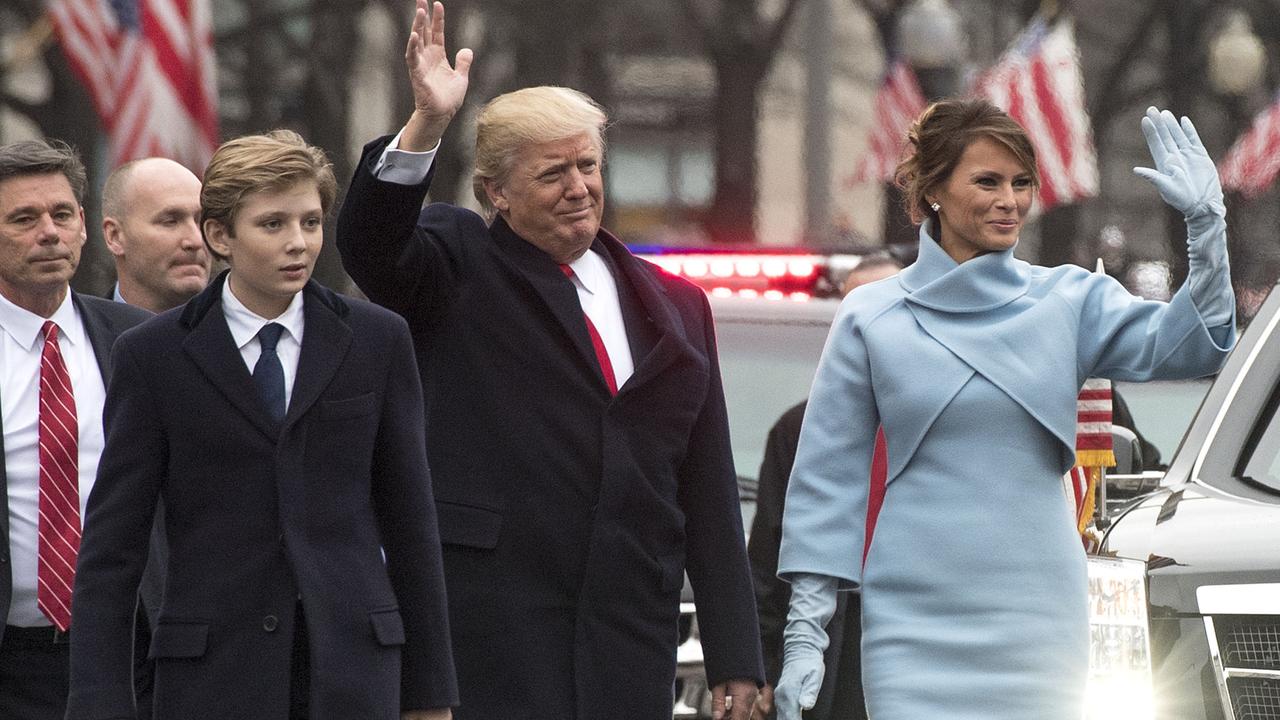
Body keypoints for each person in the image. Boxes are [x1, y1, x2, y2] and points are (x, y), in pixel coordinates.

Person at [334, 3, 763, 718]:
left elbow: (708, 486)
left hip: (628, 632)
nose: (578, 188)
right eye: (552, 173)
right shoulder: (458, 264)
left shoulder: (676, 304)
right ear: (497, 192)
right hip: (489, 629)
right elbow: (371, 243)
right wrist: (427, 126)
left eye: (588, 165)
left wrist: (737, 656)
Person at [774, 100, 1235, 720]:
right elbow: (826, 484)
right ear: (933, 189)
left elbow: (1197, 342)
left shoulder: (1069, 299)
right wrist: (806, 635)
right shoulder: (871, 314)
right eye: (987, 181)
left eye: (1021, 183)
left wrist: (1207, 227)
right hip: (911, 622)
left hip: (1038, 617)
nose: (1009, 201)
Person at [66, 130, 457, 720]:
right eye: (272, 224)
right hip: (212, 678)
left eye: (310, 222)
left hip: (355, 671)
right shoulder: (154, 356)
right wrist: (99, 701)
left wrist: (429, 699)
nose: (298, 243)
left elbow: (411, 528)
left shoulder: (376, 340)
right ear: (219, 235)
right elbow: (113, 550)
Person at [0, 139, 150, 720]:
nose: (49, 233)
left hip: (132, 654)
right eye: (23, 218)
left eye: (62, 215)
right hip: (15, 659)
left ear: (85, 225)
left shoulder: (138, 341)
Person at [749, 255, 902, 720]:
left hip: (920, 631)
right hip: (835, 635)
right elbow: (769, 558)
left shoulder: (951, 412)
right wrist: (762, 667)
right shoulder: (804, 427)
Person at [101, 157, 211, 313]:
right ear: (115, 236)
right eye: (170, 221)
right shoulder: (84, 334)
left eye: (202, 221)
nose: (196, 241)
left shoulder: (241, 333)